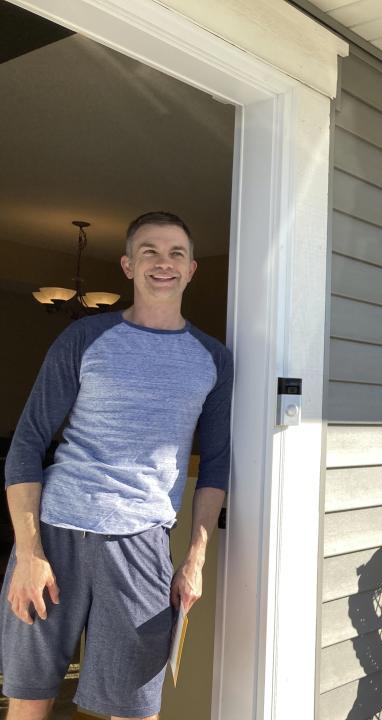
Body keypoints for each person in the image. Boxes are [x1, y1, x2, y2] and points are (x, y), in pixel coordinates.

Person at [2, 211, 233, 720]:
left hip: (140, 545)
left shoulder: (211, 358)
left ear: (192, 269)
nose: (163, 263)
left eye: (175, 253)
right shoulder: (84, 338)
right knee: (28, 699)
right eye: (149, 251)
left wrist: (194, 559)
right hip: (54, 537)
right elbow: (27, 445)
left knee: (135, 710)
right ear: (128, 265)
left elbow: (216, 464)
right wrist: (27, 554)